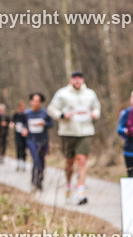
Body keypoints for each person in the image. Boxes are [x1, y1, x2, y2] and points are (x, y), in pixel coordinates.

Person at [48, 71, 101, 205]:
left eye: (79, 79)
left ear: (82, 80)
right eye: (74, 79)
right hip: (68, 132)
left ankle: (80, 192)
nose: (77, 81)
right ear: (71, 80)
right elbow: (52, 109)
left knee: (82, 160)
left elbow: (97, 108)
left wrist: (95, 114)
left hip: (85, 132)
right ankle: (68, 185)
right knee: (69, 162)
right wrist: (62, 115)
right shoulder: (62, 94)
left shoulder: (90, 93)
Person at [22, 93, 53, 190]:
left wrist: (45, 123)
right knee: (36, 160)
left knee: (42, 161)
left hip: (43, 140)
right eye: (34, 100)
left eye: (38, 101)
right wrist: (23, 129)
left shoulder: (45, 113)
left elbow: (51, 124)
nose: (36, 103)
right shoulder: (26, 113)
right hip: (31, 140)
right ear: (31, 101)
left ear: (40, 102)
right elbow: (21, 124)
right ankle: (34, 181)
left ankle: (40, 180)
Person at [118, 88, 133, 177]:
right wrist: (127, 131)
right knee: (132, 175)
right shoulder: (127, 112)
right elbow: (119, 129)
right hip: (130, 150)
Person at [11, 101, 29, 171]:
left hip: (24, 135)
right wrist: (12, 124)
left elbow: (27, 123)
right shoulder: (16, 115)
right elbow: (12, 121)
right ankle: (18, 164)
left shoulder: (26, 115)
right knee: (18, 148)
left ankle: (24, 164)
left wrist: (25, 128)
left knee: (24, 149)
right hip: (17, 134)